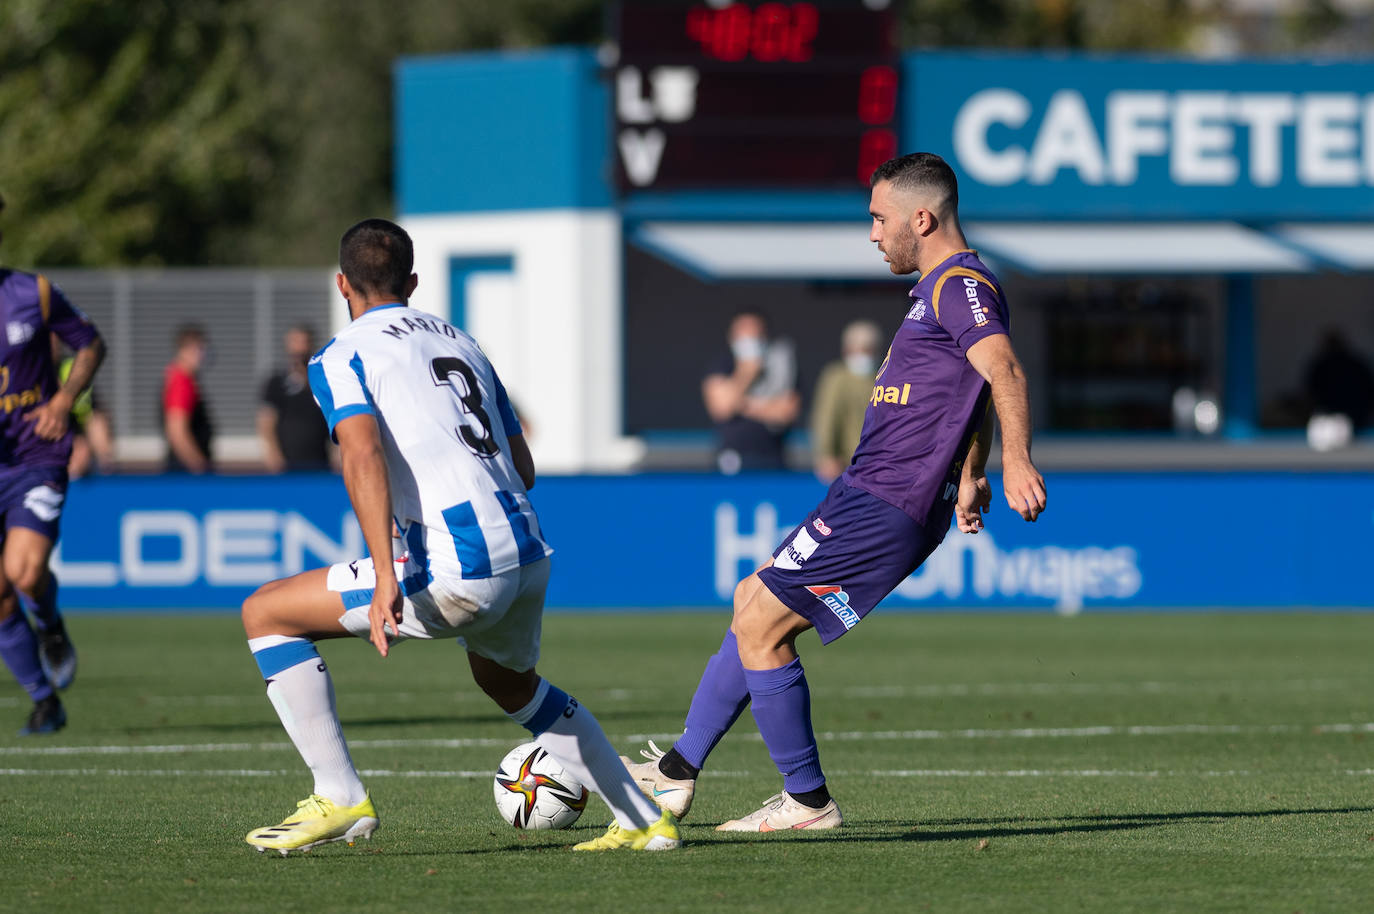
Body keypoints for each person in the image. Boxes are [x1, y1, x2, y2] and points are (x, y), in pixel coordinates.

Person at [621, 152, 1047, 831]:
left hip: (888, 500)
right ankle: (676, 771)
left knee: (762, 623)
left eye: (880, 219)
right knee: (751, 600)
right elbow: (972, 393)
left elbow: (1003, 369)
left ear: (923, 217)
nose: (874, 235)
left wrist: (1018, 460)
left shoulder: (959, 284)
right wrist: (971, 472)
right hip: (869, 490)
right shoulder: (934, 291)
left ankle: (807, 801)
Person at [240, 219, 677, 854]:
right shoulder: (461, 341)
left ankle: (340, 798)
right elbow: (522, 466)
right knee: (507, 683)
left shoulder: (341, 354)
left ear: (342, 284)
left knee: (266, 613)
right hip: (527, 547)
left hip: (462, 560)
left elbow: (359, 454)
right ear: (412, 282)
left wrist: (387, 573)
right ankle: (643, 820)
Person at [0, 192, 106, 734]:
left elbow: (90, 344)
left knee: (24, 570)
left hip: (35, 456)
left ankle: (50, 623)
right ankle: (45, 699)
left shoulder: (31, 293)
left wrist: (63, 402)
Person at [702, 310, 800, 473]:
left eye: (755, 334)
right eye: (744, 333)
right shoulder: (722, 365)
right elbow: (721, 408)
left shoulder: (781, 365)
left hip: (773, 458)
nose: (750, 339)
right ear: (732, 337)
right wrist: (747, 371)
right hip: (730, 459)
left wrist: (742, 404)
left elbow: (786, 413)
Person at [809, 319, 882, 482]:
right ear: (847, 349)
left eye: (868, 349)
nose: (864, 355)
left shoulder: (881, 377)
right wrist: (826, 455)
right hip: (844, 465)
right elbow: (826, 417)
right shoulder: (836, 377)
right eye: (859, 348)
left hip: (875, 465)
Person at [258, 324, 332, 472]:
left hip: (319, 461)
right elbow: (266, 420)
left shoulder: (322, 381)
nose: (299, 349)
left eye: (304, 342)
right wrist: (273, 453)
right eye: (295, 342)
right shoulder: (277, 382)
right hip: (286, 462)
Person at [162, 324, 213, 473]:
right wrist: (199, 468)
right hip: (185, 475)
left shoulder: (181, 379)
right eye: (201, 349)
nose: (204, 355)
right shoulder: (181, 381)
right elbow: (177, 432)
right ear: (187, 350)